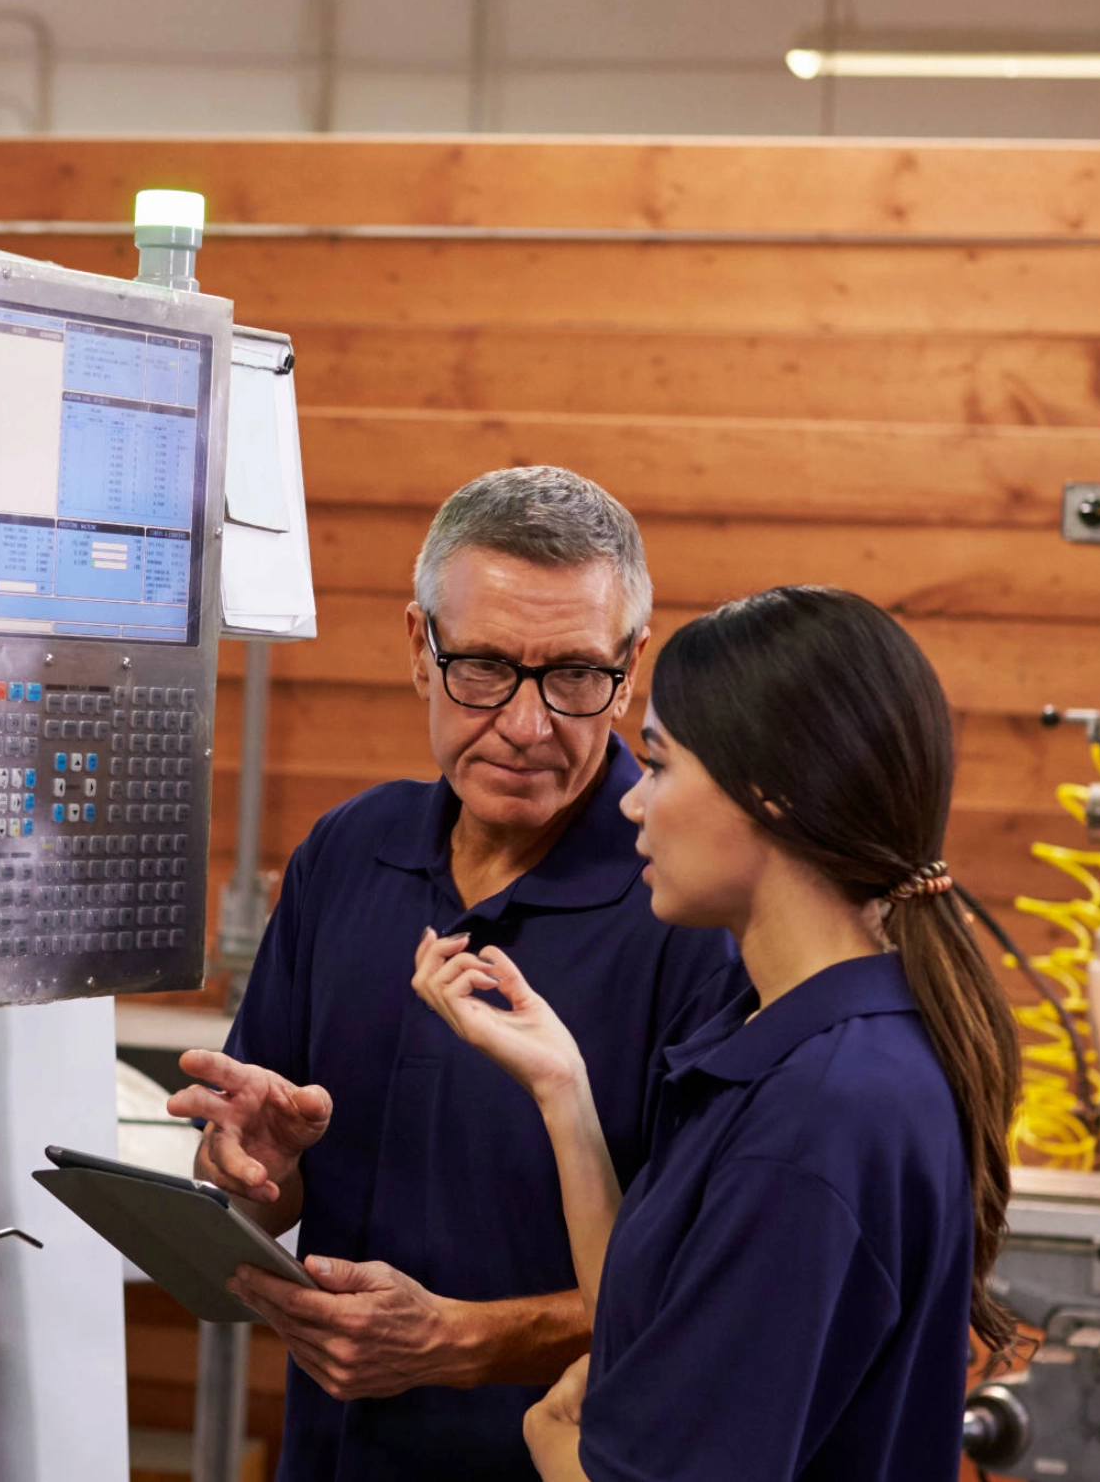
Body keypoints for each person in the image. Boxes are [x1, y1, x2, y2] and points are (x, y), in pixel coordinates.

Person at [165, 467, 739, 1481]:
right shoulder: (348, 854)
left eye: (573, 677)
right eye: (481, 667)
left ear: (632, 665)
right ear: (418, 651)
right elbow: (261, 1201)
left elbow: (714, 1295)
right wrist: (250, 1170)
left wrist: (461, 1343)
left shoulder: (691, 909)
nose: (524, 726)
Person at [410, 584, 1024, 1482]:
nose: (632, 803)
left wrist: (560, 1451)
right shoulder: (796, 1032)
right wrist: (564, 1091)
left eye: (657, 765)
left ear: (770, 794)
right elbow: (656, 1321)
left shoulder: (823, 1113)